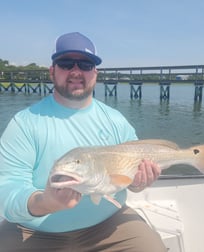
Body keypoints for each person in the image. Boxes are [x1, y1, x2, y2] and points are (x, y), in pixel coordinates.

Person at [0, 32, 167, 251]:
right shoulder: (25, 123)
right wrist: (45, 202)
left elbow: (132, 177)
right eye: (66, 63)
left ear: (95, 74)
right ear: (52, 71)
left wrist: (138, 183)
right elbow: (7, 188)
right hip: (35, 230)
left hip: (110, 224)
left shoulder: (116, 120)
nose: (76, 71)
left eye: (86, 65)